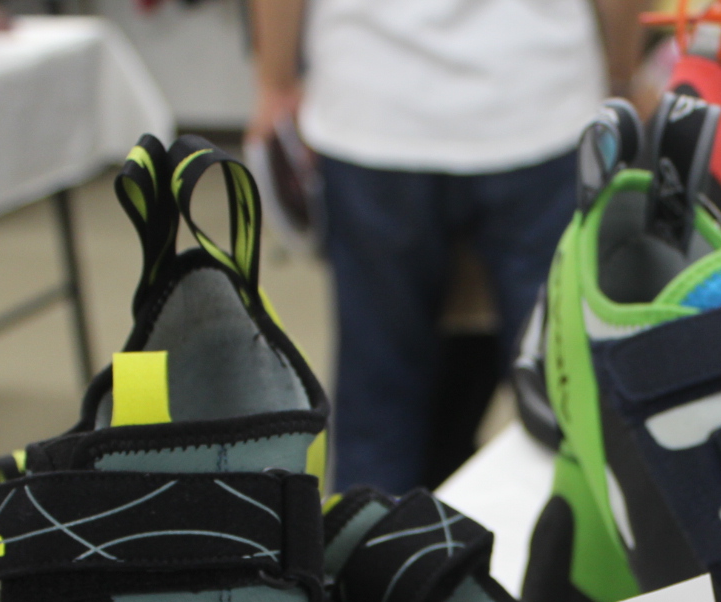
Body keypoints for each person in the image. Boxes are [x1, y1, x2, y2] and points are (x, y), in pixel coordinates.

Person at [248, 0, 653, 493]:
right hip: (536, 99)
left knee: (378, 404)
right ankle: (567, 536)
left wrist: (275, 81)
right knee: (566, 399)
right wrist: (622, 76)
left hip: (374, 104)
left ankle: (371, 539)